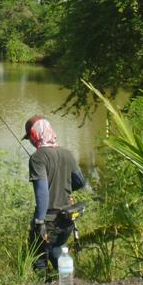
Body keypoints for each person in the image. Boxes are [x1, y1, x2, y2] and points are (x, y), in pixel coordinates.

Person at [23, 115, 86, 273]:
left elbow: (42, 192)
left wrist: (39, 222)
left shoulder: (37, 158)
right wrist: (64, 190)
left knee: (39, 259)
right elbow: (80, 182)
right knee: (56, 250)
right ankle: (69, 282)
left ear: (35, 135)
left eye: (30, 137)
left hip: (49, 220)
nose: (30, 141)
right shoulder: (67, 154)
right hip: (67, 219)